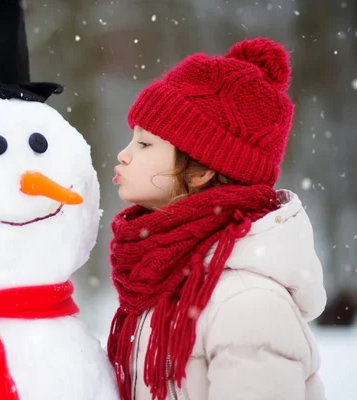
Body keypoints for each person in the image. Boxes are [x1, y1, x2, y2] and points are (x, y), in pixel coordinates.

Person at [108, 37, 327, 400]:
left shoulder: (246, 302)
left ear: (202, 170)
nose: (123, 154)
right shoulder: (160, 279)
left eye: (144, 144)